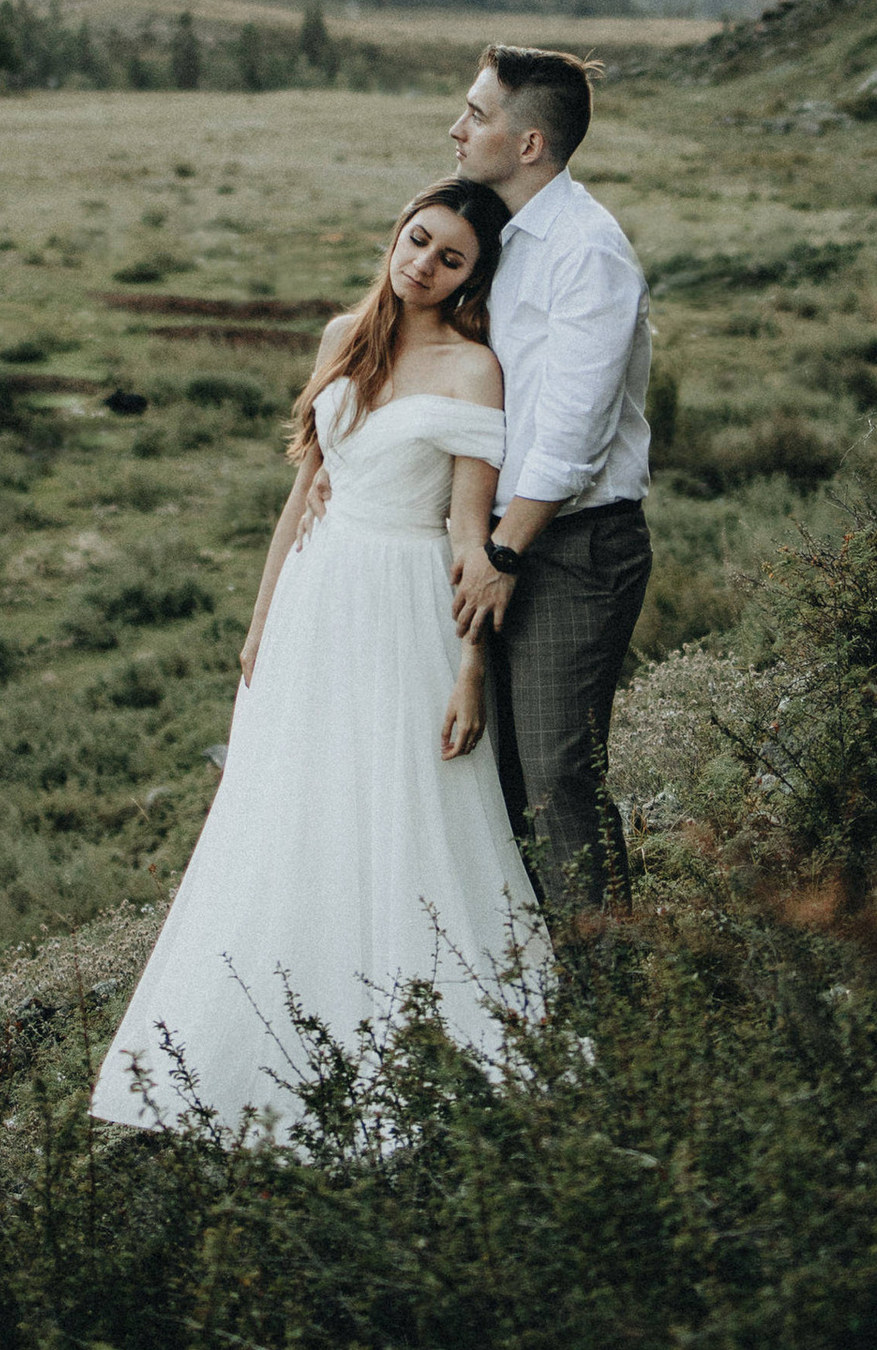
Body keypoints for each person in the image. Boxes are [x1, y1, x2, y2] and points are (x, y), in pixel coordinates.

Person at [89, 179, 548, 1143]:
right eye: (417, 240)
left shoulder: (475, 371)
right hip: (315, 598)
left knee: (400, 800)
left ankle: (415, 1030)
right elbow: (303, 496)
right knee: (292, 797)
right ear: (397, 234)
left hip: (405, 604)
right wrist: (260, 625)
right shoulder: (346, 334)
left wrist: (471, 669)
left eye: (451, 257)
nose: (423, 263)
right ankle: (267, 1014)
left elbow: (471, 535)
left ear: (474, 276)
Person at [446, 46, 652, 912]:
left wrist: (502, 553)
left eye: (477, 115)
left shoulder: (586, 250)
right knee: (498, 778)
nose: (458, 129)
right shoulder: (501, 235)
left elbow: (573, 434)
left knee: (558, 777)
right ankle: (536, 984)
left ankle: (610, 999)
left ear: (530, 143)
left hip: (565, 547)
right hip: (494, 540)